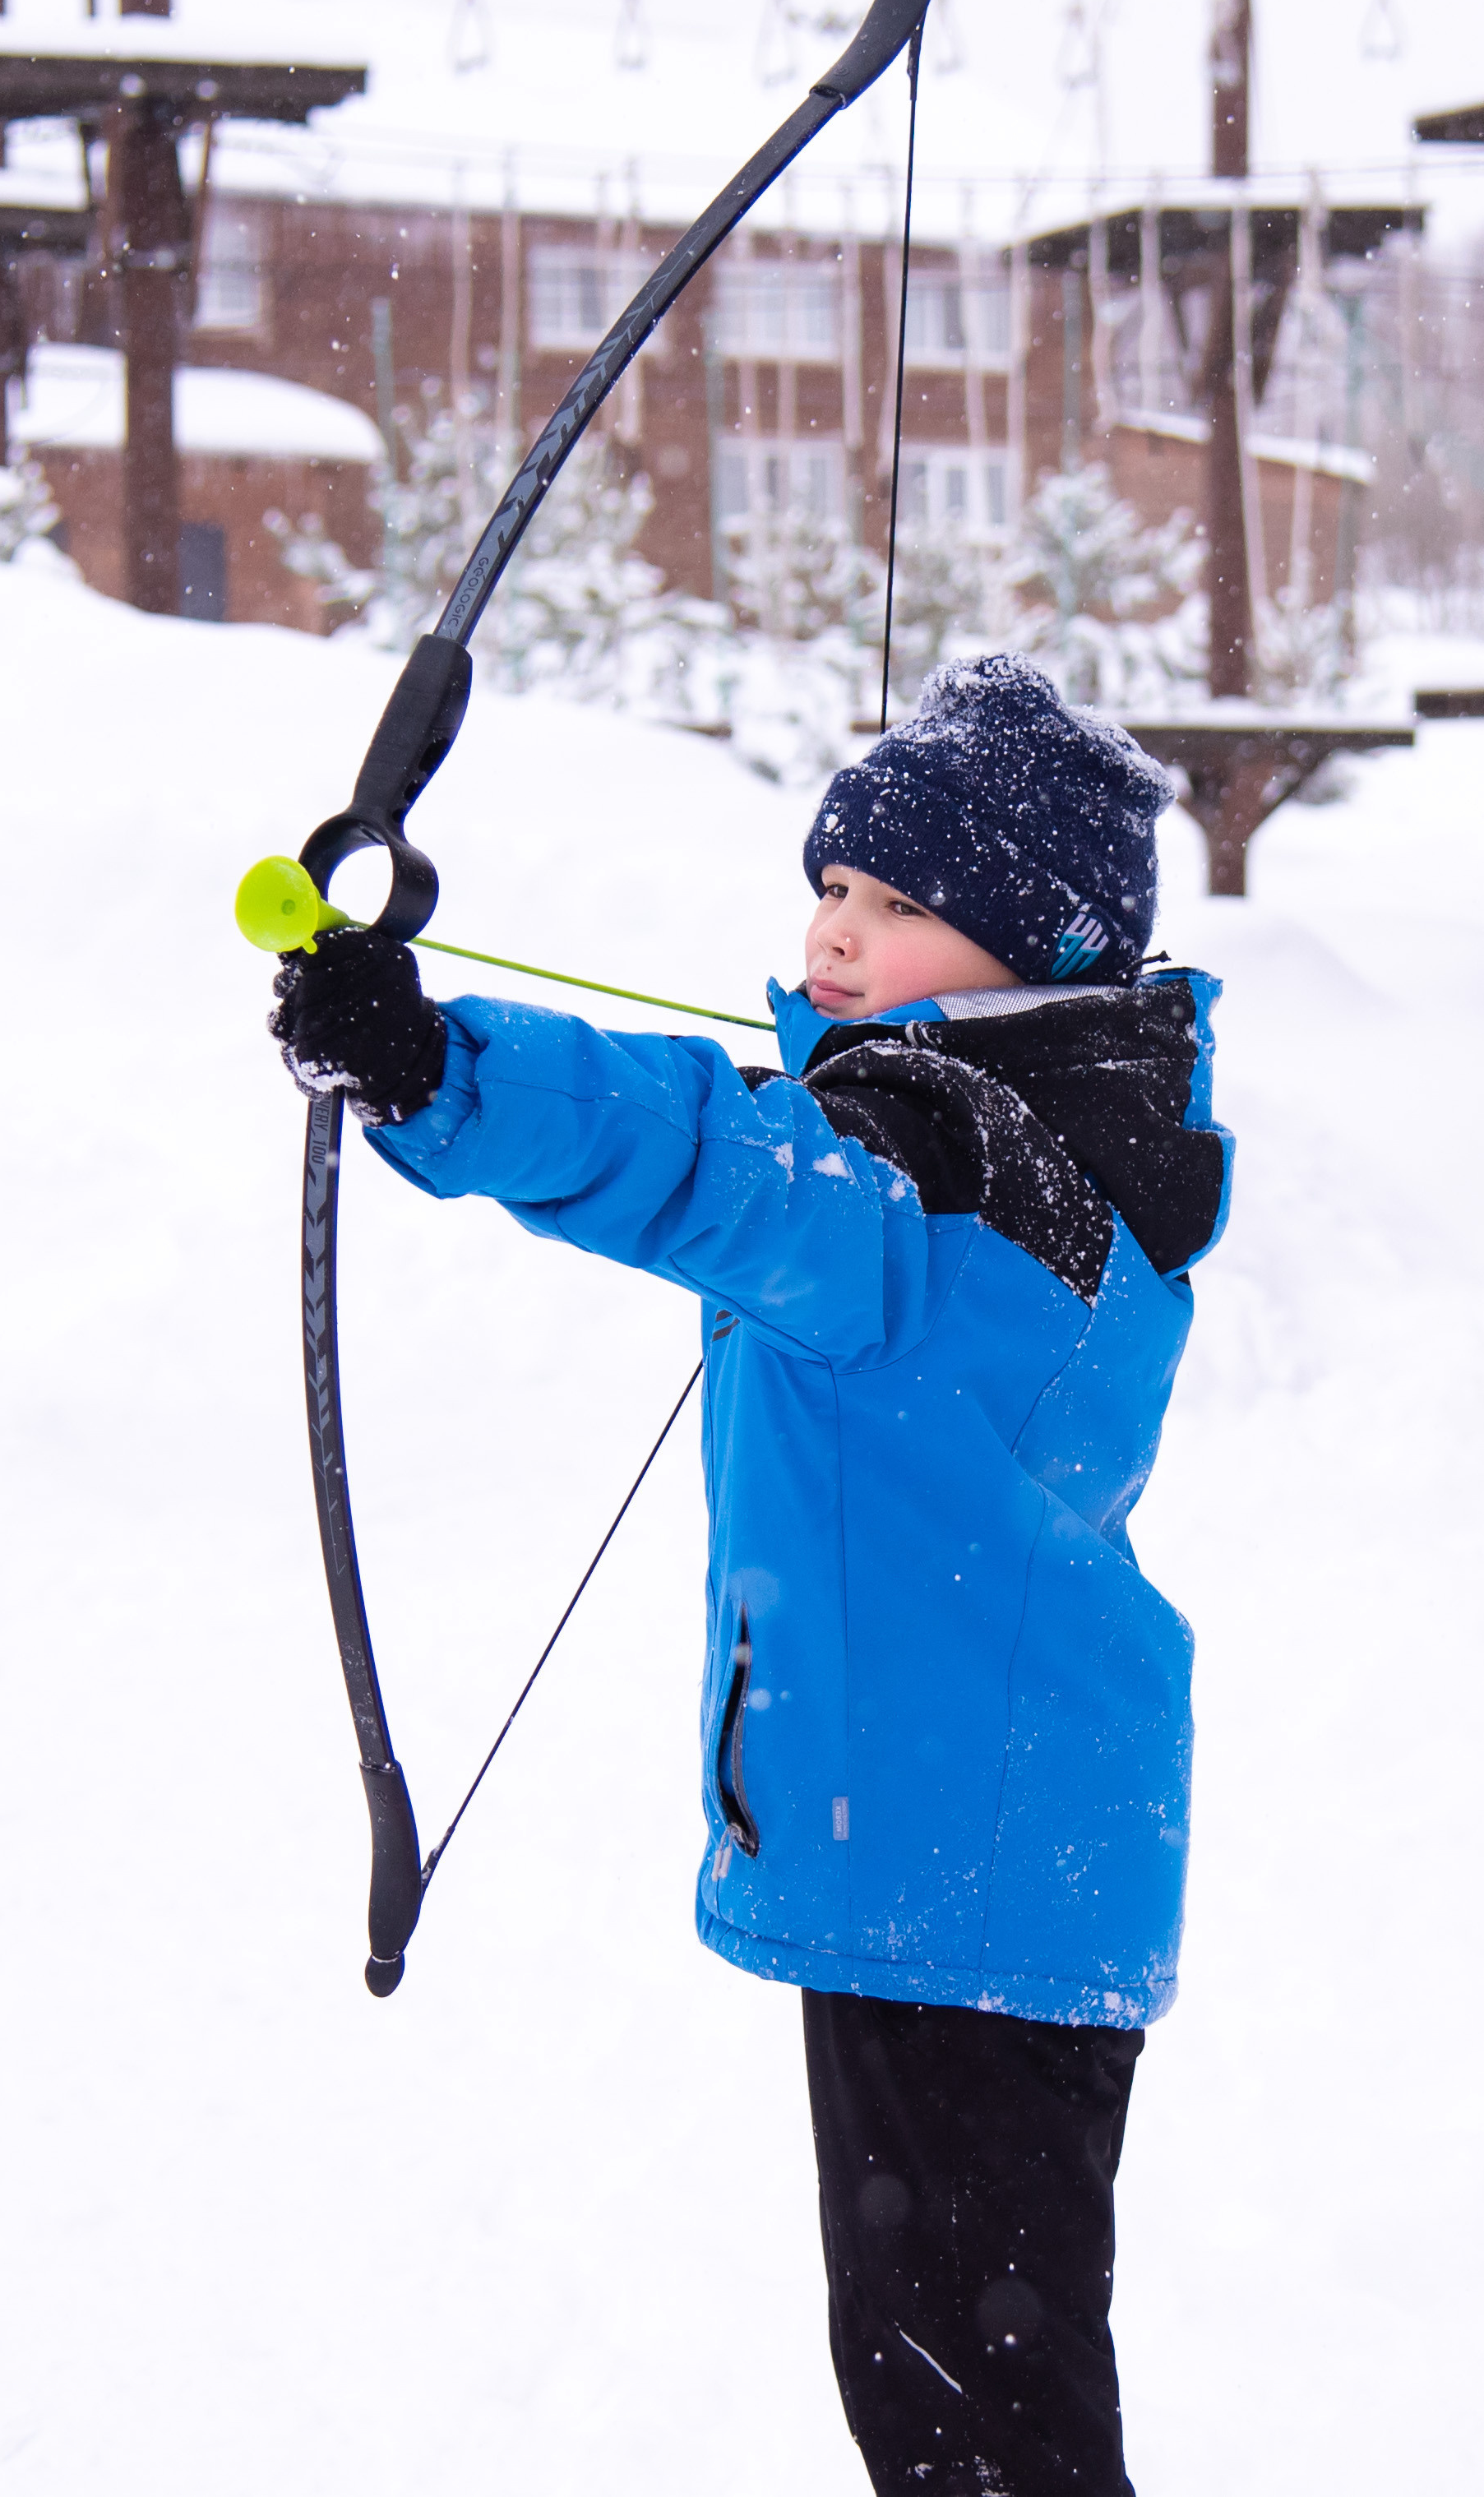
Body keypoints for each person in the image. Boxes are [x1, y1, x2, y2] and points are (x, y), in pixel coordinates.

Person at [269, 653, 1232, 2497]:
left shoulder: (945, 1175)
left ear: (1032, 946)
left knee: (969, 2407)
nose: (838, 930)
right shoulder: (1046, 1139)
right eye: (832, 885)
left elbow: (710, 1159)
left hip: (955, 1876)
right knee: (971, 2382)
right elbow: (745, 1130)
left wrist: (433, 1067)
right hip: (996, 1859)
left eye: (898, 902)